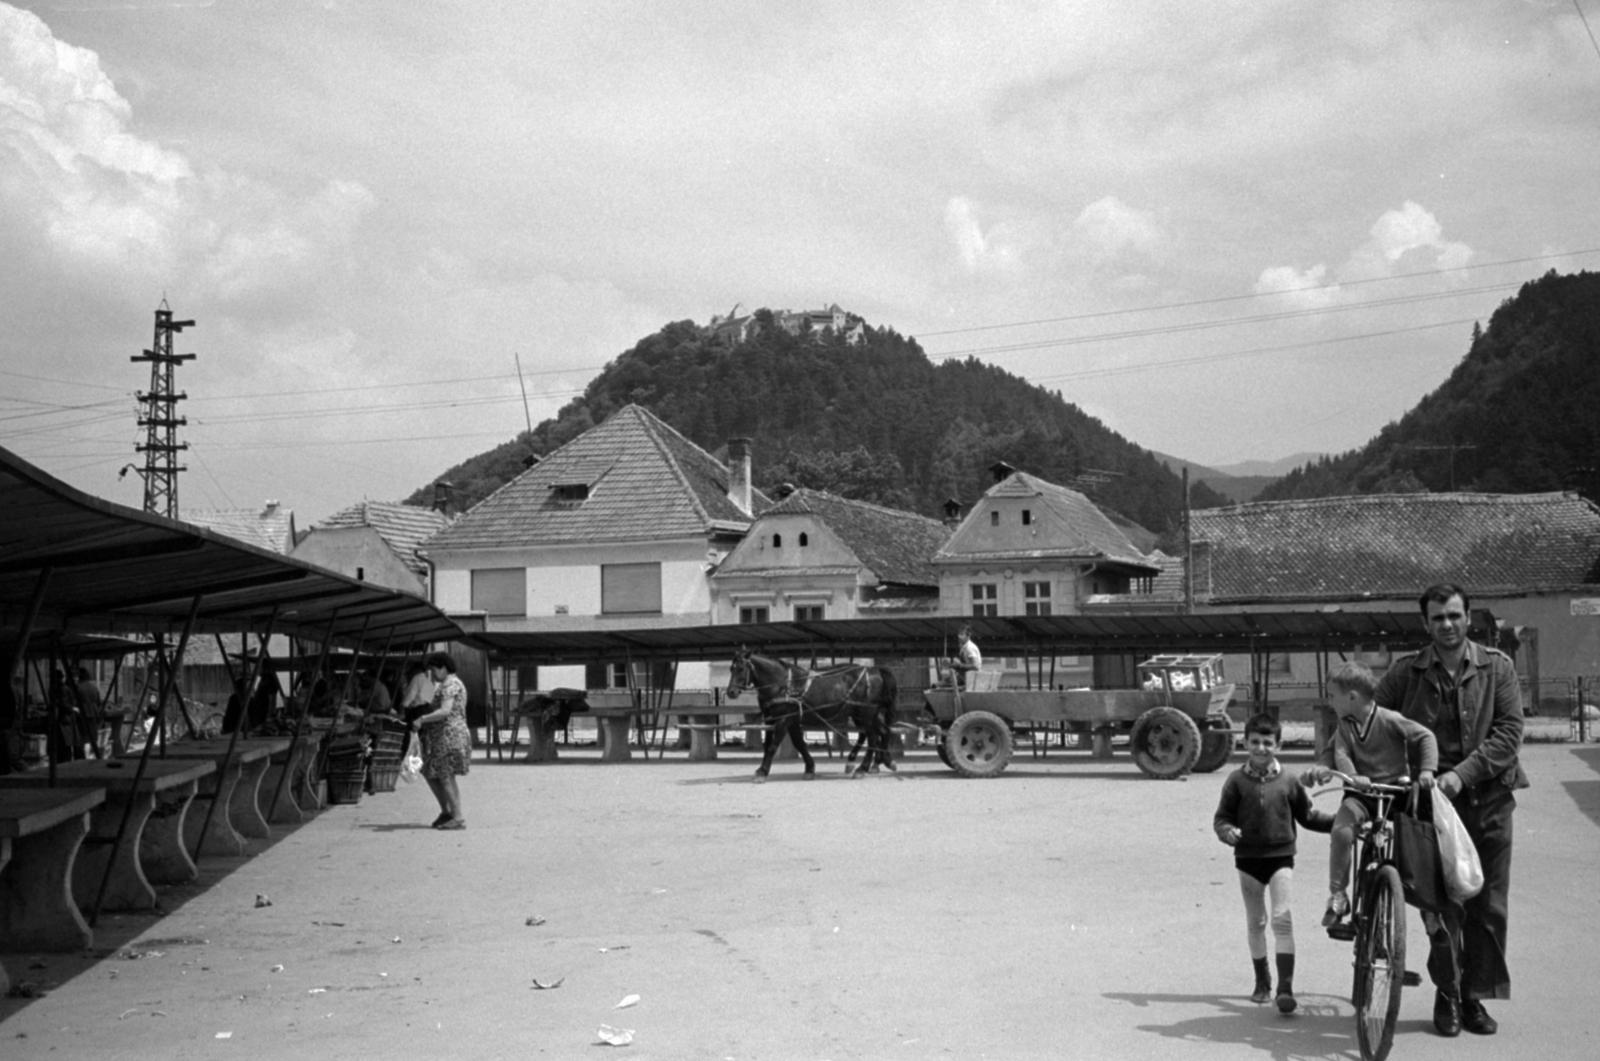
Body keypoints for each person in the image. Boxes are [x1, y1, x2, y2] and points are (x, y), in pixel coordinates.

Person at [1375, 583, 1525, 1038]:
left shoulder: (1497, 669)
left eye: (1454, 615)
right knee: (1440, 910)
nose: (1447, 624)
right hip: (1428, 810)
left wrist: (1462, 773)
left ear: (1468, 618)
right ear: (1426, 623)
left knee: (1487, 905)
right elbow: (1370, 720)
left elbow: (1509, 732)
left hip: (1490, 803)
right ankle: (1447, 994)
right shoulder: (1405, 674)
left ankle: (1474, 997)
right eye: (1437, 617)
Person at [1214, 713, 1334, 1013]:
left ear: (1278, 745)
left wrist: (1339, 823)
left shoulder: (1290, 780)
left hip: (1281, 858)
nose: (1261, 748)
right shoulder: (1236, 781)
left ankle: (1285, 988)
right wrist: (1227, 832)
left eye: (1268, 743)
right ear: (1245, 743)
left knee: (1282, 918)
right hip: (1247, 862)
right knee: (1256, 923)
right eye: (1255, 742)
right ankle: (1262, 980)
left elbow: (1307, 817)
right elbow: (1222, 818)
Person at [1311, 661, 1437, 929]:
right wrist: (1351, 775)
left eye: (1332, 696)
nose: (1330, 701)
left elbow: (1425, 737)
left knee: (1417, 839)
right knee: (1342, 832)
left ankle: (1430, 908)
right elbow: (1340, 752)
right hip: (1360, 794)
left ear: (1352, 697)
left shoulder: (1389, 719)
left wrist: (1427, 770)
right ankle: (1338, 895)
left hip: (1395, 792)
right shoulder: (1344, 725)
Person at [411, 651, 470, 830]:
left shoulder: (450, 684)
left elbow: (445, 711)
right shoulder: (446, 684)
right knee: (431, 773)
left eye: (434, 670)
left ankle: (457, 816)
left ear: (444, 668)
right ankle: (447, 812)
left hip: (449, 736)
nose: (433, 674)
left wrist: (422, 719)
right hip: (440, 737)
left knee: (445, 775)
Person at [399, 660, 436, 727]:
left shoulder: (417, 678)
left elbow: (411, 693)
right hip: (428, 709)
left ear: (416, 669)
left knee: (414, 731)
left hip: (419, 710)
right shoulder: (428, 681)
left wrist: (404, 704)